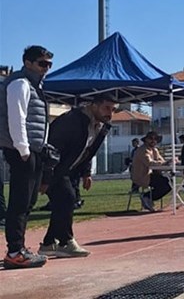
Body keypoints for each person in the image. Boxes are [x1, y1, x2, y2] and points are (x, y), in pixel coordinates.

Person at [38, 94, 116, 258]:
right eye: (107, 108)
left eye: (113, 109)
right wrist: (45, 178)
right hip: (50, 167)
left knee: (63, 204)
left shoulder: (101, 126)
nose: (110, 114)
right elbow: (51, 148)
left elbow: (88, 151)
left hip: (68, 170)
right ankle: (66, 242)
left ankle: (48, 243)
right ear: (94, 105)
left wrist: (86, 173)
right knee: (67, 199)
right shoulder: (72, 121)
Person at [0, 45, 54, 269]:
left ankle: (19, 248)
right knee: (20, 202)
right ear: (28, 63)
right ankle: (14, 251)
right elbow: (17, 117)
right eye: (43, 64)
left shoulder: (35, 86)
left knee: (29, 200)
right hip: (22, 151)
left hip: (35, 150)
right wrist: (23, 149)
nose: (46, 69)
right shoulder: (20, 84)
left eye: (49, 64)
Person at [130, 131, 172, 212]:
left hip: (150, 175)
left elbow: (161, 161)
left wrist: (169, 162)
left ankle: (148, 198)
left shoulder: (154, 150)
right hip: (141, 176)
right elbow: (149, 163)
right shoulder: (142, 150)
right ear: (145, 140)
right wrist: (164, 163)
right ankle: (147, 197)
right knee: (166, 184)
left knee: (169, 182)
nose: (153, 141)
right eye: (150, 138)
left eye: (155, 139)